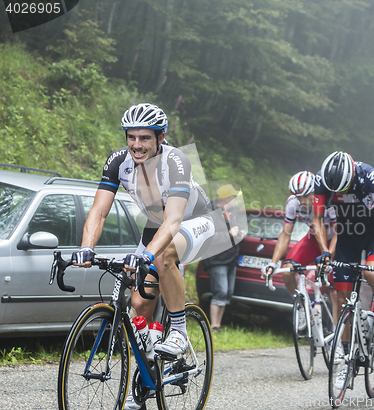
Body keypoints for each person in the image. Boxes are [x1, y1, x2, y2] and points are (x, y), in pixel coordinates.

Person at [72, 103, 216, 410]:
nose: (137, 144)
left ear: (160, 137)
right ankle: (150, 374)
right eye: (131, 137)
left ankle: (177, 331)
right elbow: (98, 211)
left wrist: (147, 255)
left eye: (145, 138)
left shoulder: (176, 160)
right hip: (155, 226)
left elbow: (174, 220)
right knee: (138, 304)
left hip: (197, 219)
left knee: (163, 257)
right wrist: (87, 246)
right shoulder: (118, 161)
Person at [312, 151, 374, 351]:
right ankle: (346, 349)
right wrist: (325, 251)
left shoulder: (370, 176)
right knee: (341, 297)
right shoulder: (321, 180)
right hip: (347, 234)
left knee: (372, 273)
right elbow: (317, 219)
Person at [262, 171, 337, 296]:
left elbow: (338, 233)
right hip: (313, 241)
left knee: (335, 293)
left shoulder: (329, 202)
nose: (302, 201)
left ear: (315, 191)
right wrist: (273, 263)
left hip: (336, 243)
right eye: (298, 197)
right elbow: (286, 234)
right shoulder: (292, 202)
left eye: (306, 196)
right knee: (286, 272)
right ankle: (301, 306)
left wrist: (329, 256)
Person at [202, 184, 245, 331]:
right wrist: (229, 234)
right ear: (227, 199)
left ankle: (218, 325)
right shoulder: (209, 213)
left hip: (230, 260)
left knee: (227, 293)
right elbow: (208, 238)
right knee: (220, 292)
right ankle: (213, 325)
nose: (236, 200)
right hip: (216, 260)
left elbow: (235, 232)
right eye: (234, 198)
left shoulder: (231, 213)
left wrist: (239, 235)